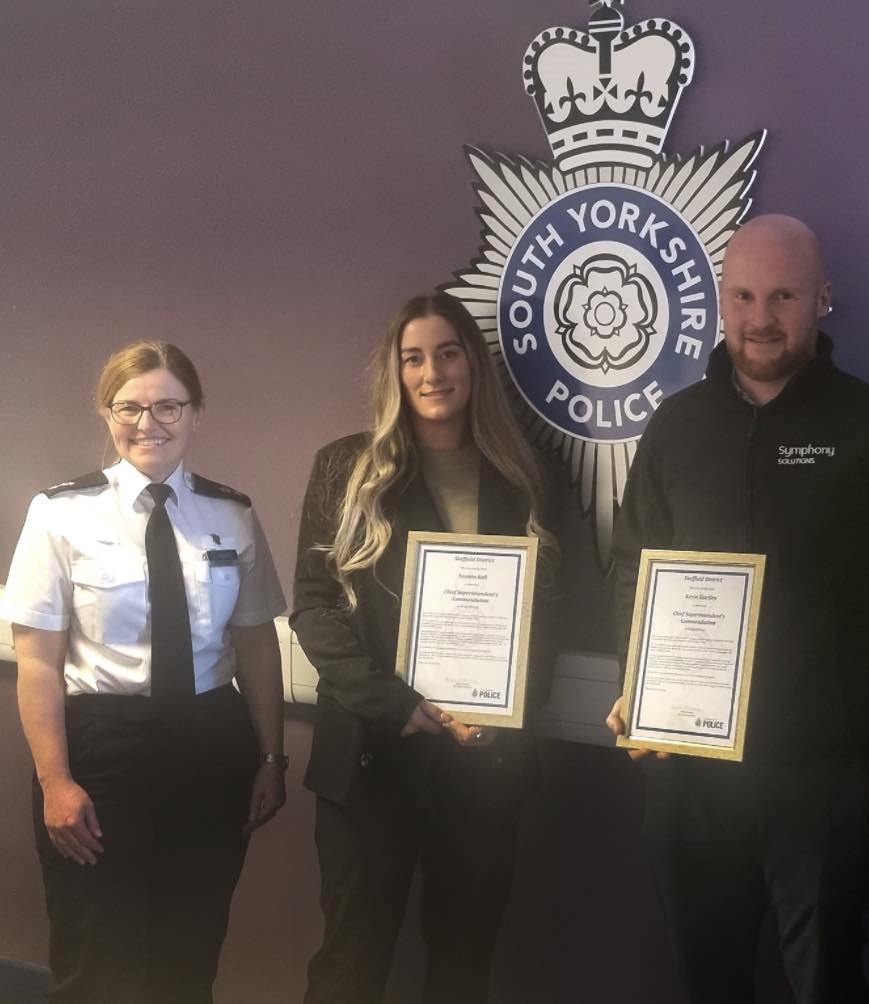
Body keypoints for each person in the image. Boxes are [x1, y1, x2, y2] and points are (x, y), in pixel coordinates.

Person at [606, 214, 869, 1003]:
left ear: (822, 299)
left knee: (827, 985)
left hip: (822, 780)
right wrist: (641, 684)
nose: (761, 318)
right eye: (744, 296)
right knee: (707, 982)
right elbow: (632, 569)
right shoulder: (676, 426)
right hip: (688, 773)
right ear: (721, 300)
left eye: (784, 296)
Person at [292, 290, 559, 1004]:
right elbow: (314, 610)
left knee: (463, 965)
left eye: (447, 354)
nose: (432, 373)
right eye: (413, 358)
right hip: (370, 758)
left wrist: (505, 708)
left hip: (482, 764)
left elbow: (549, 619)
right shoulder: (346, 467)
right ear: (395, 371)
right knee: (350, 963)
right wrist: (396, 705)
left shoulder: (526, 474)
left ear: (473, 364)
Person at [1, 340, 287, 1004]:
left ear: (196, 413)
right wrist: (55, 782)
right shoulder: (60, 514)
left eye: (167, 407)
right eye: (128, 407)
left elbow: (256, 646)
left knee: (189, 951)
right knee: (95, 954)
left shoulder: (232, 515)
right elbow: (38, 663)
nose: (147, 423)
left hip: (211, 747)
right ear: (106, 413)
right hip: (103, 749)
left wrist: (272, 758)